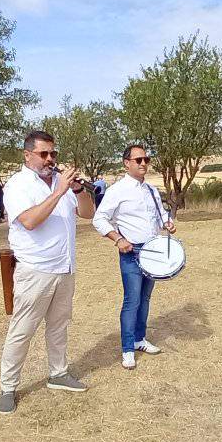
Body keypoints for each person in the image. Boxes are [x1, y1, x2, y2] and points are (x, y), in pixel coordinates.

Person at [0, 130, 96, 414]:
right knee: (22, 330)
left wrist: (78, 190)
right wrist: (60, 191)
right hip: (35, 270)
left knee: (59, 325)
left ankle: (58, 373)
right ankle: (8, 386)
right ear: (27, 155)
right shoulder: (18, 186)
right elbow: (30, 221)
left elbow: (87, 213)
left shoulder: (61, 183)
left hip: (65, 267)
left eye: (53, 153)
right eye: (43, 154)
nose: (50, 159)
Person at [92, 144, 176, 370]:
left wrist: (167, 222)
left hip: (153, 250)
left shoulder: (151, 190)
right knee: (132, 300)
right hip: (131, 252)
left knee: (145, 299)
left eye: (146, 160)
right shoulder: (117, 190)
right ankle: (128, 348)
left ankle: (140, 339)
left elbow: (160, 216)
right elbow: (99, 219)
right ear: (126, 163)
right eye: (138, 160)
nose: (143, 163)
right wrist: (119, 239)